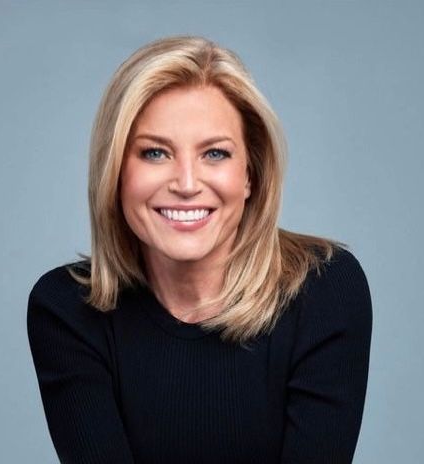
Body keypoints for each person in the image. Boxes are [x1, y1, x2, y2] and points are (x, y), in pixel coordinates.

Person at [27, 36, 372, 464]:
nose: (187, 184)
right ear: (115, 173)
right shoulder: (66, 310)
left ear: (250, 174)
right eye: (155, 153)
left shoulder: (324, 290)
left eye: (215, 153)